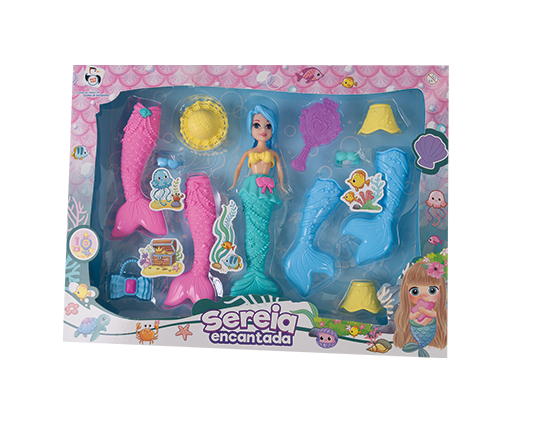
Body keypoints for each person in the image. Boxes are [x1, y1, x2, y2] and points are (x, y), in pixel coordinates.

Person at [228, 105, 285, 296]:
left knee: (263, 227)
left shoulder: (274, 154)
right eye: (257, 125)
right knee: (252, 227)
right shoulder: (248, 152)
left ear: (273, 128)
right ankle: (252, 271)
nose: (263, 130)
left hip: (267, 189)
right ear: (250, 127)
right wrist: (233, 184)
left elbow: (279, 170)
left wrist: (282, 186)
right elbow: (238, 168)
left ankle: (258, 271)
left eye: (268, 126)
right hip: (251, 188)